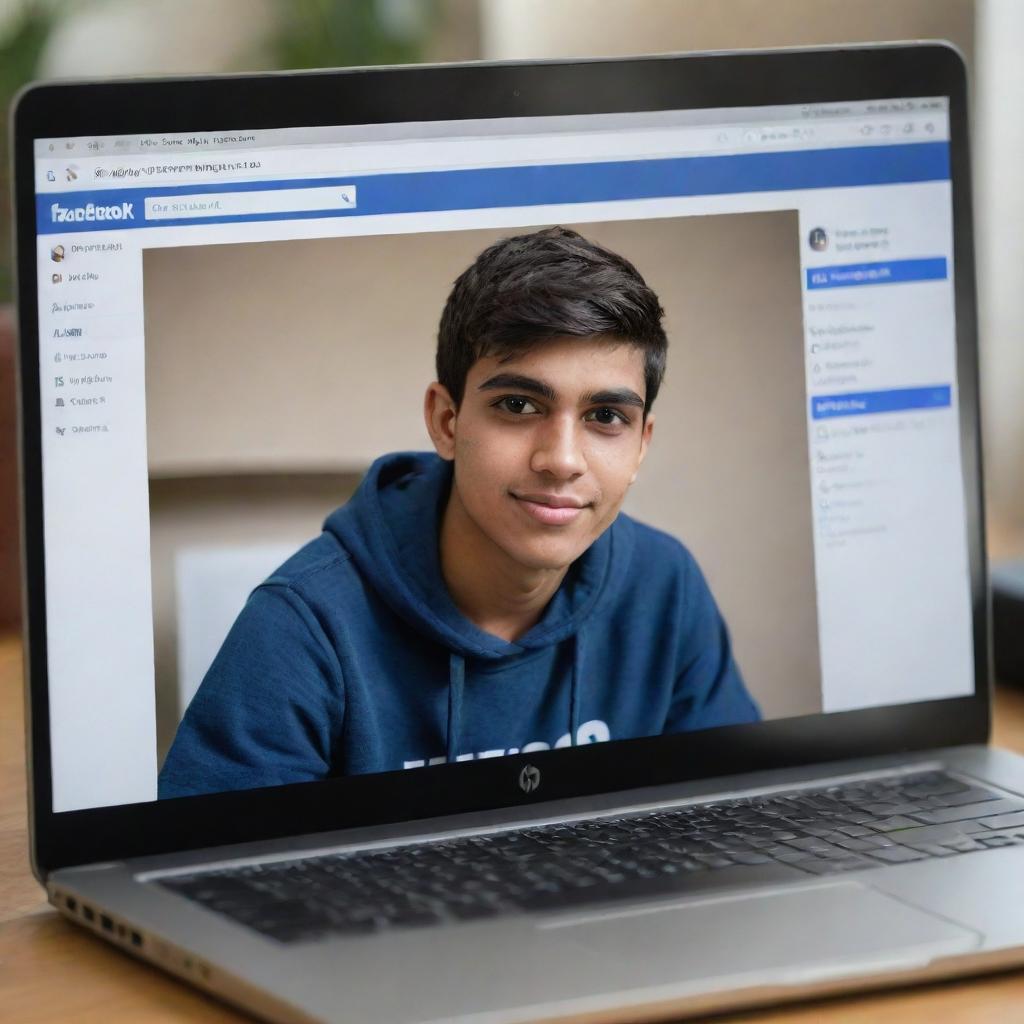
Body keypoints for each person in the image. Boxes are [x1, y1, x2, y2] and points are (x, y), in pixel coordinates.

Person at [158, 226, 759, 799]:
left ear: (640, 446)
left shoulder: (665, 585)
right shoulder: (303, 622)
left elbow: (734, 818)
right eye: (519, 404)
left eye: (606, 417)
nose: (562, 460)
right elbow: (200, 879)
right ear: (447, 422)